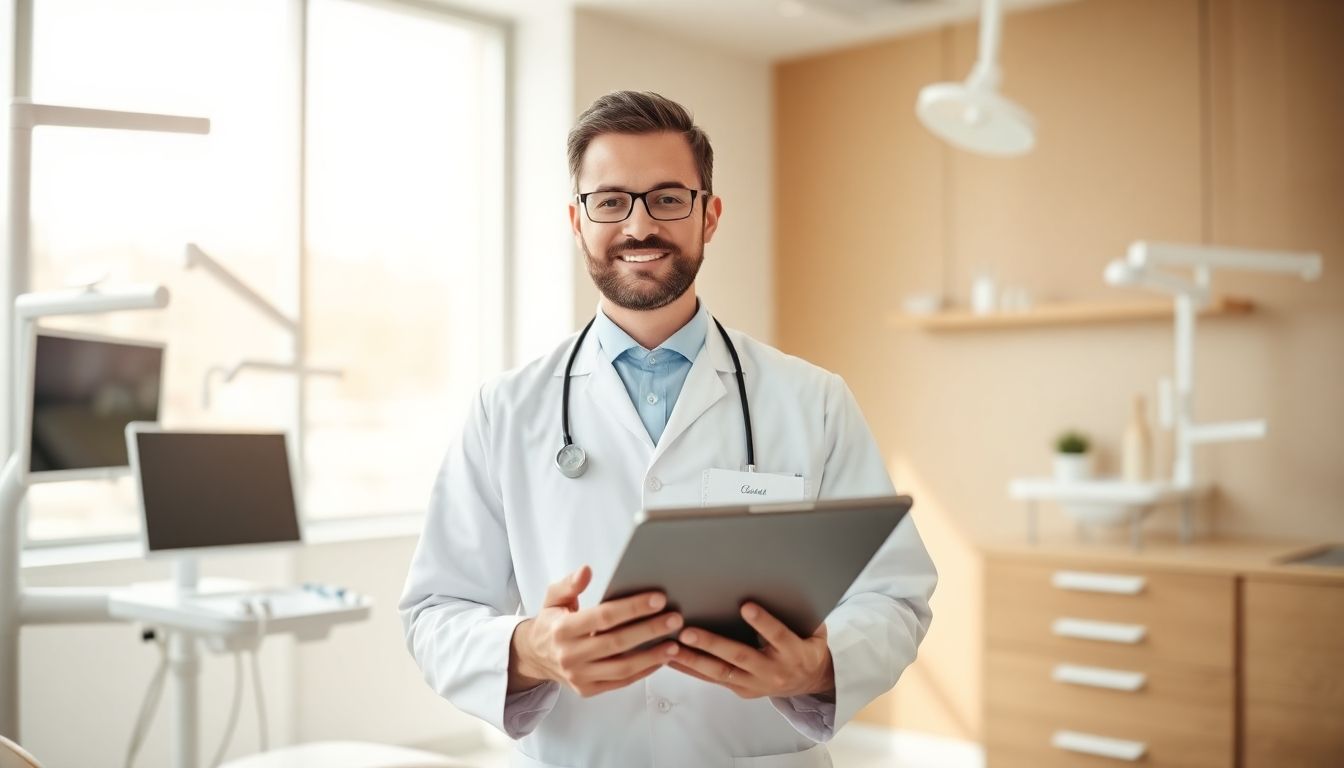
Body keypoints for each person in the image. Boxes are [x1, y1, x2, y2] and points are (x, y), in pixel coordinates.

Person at [400, 90, 937, 768]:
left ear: (709, 215)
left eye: (667, 198)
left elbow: (895, 593)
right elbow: (435, 610)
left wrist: (818, 665)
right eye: (610, 201)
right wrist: (531, 649)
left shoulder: (814, 400)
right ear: (577, 220)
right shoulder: (504, 409)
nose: (639, 225)